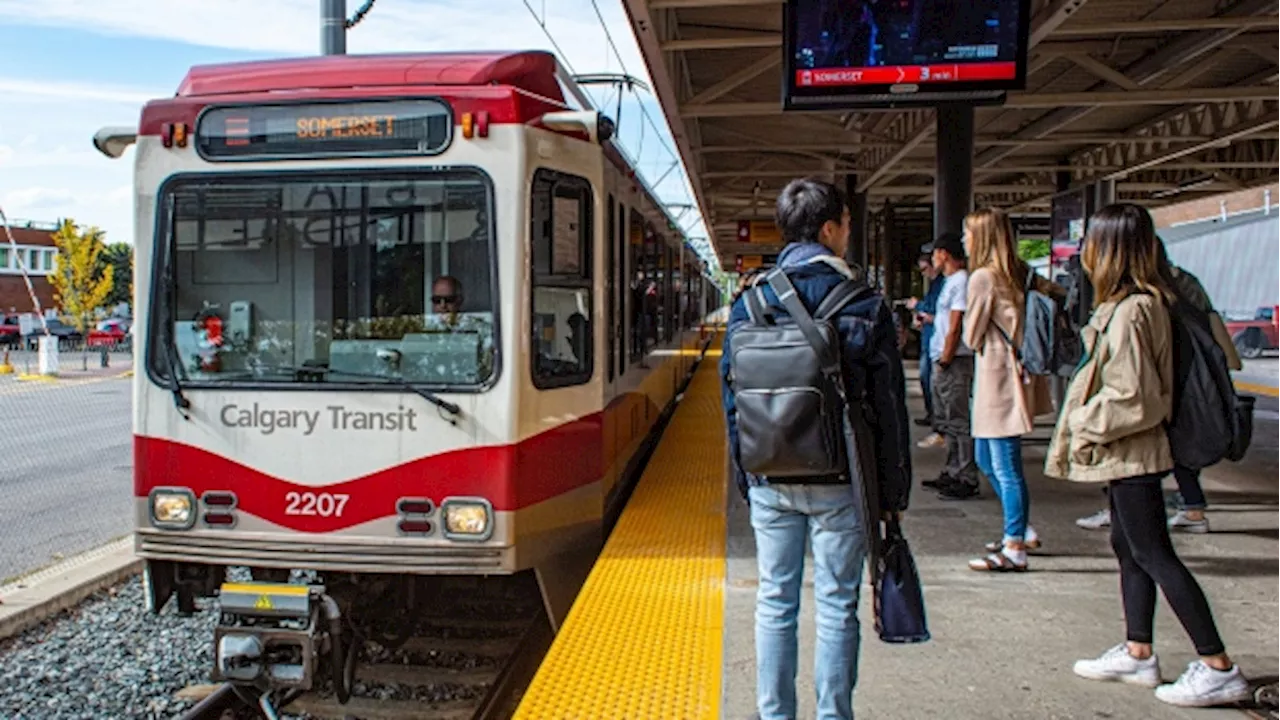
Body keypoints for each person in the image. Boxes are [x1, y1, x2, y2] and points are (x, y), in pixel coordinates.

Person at [720, 178, 911, 720]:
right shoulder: (864, 302)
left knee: (775, 602)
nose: (847, 235)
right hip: (842, 480)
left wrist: (746, 474)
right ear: (829, 230)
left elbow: (732, 395)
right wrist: (892, 492)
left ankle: (774, 714)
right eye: (847, 225)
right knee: (835, 605)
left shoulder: (750, 300)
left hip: (770, 478)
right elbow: (889, 408)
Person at [1047, 203, 1251, 708]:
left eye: (1092, 242)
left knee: (1154, 553)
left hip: (1133, 450)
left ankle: (1216, 664)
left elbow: (1136, 397)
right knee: (1129, 546)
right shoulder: (1138, 302)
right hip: (1128, 453)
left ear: (1110, 248)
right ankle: (1138, 649)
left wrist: (1081, 421)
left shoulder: (1137, 308)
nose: (1084, 254)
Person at [1073, 241, 1243, 535]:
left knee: (1141, 463)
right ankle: (1192, 507)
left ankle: (1129, 510)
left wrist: (1080, 420)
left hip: (1166, 375)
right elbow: (1207, 316)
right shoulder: (1183, 281)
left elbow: (1129, 389)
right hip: (1186, 374)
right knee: (1180, 444)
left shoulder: (1137, 301)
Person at [960, 208, 1055, 571]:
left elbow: (971, 335)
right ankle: (1020, 528)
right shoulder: (1018, 274)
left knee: (1004, 464)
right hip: (1012, 375)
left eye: (969, 234)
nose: (965, 241)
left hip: (998, 380)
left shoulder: (982, 278)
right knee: (987, 459)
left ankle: (1015, 545)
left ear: (981, 238)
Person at [923, 232, 979, 500]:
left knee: (958, 420)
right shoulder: (950, 282)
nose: (933, 258)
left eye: (934, 253)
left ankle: (966, 475)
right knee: (946, 418)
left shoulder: (961, 281)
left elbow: (956, 324)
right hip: (943, 357)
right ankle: (952, 469)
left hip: (954, 359)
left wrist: (946, 356)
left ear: (944, 253)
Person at [907, 252, 943, 432]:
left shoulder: (941, 284)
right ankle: (933, 415)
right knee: (926, 378)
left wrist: (918, 307)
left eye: (924, 269)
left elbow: (936, 312)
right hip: (928, 337)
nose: (923, 273)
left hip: (934, 339)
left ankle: (937, 418)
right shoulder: (935, 285)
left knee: (931, 379)